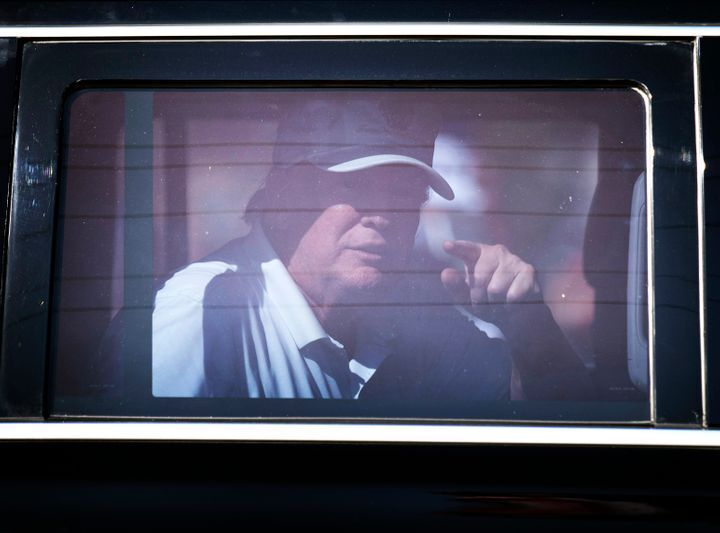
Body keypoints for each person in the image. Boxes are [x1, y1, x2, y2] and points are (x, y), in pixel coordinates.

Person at [152, 96, 591, 401]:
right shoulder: (201, 318)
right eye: (354, 186)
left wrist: (532, 332)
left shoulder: (444, 331)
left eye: (404, 194)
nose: (384, 215)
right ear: (286, 193)